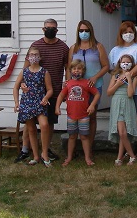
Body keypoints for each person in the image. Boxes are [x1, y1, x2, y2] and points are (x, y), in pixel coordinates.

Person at [15, 18, 70, 163]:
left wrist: (67, 85)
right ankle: (26, 149)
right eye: (47, 27)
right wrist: (22, 84)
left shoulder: (63, 47)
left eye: (53, 28)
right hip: (33, 92)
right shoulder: (36, 45)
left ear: (57, 30)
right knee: (30, 123)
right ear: (43, 29)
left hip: (53, 90)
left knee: (49, 122)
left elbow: (67, 67)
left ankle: (46, 149)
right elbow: (26, 67)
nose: (50, 30)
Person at [108, 21, 137, 159]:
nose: (128, 34)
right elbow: (113, 69)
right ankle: (127, 148)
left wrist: (127, 77)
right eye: (125, 32)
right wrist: (118, 81)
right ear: (121, 34)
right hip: (120, 93)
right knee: (123, 121)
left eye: (131, 32)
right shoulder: (115, 50)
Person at [67, 20, 110, 155]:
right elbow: (69, 67)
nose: (83, 33)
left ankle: (89, 147)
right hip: (76, 88)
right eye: (81, 31)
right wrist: (68, 83)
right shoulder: (74, 48)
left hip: (93, 86)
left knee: (91, 116)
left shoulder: (98, 47)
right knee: (76, 115)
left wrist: (96, 77)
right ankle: (74, 147)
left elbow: (106, 66)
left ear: (91, 31)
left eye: (86, 30)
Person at [13, 46, 53, 167]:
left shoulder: (44, 72)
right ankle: (35, 156)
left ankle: (44, 153)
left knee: (44, 125)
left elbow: (50, 89)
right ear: (27, 57)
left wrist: (46, 98)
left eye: (36, 55)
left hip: (40, 102)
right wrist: (16, 103)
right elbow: (15, 87)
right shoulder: (24, 71)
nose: (33, 57)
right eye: (31, 55)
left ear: (40, 57)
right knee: (31, 129)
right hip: (27, 102)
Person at [55, 59, 100, 166]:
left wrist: (92, 105)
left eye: (79, 69)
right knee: (72, 136)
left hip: (84, 115)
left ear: (83, 71)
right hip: (71, 115)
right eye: (74, 69)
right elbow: (61, 95)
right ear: (70, 71)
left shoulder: (86, 83)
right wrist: (57, 107)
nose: (76, 71)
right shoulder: (68, 83)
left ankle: (87, 158)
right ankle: (69, 157)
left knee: (84, 137)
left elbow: (97, 94)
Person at [107, 54, 137, 165]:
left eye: (128, 62)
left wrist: (129, 79)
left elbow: (130, 94)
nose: (125, 64)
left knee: (124, 132)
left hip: (128, 103)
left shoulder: (135, 77)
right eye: (123, 62)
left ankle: (120, 157)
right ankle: (132, 156)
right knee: (121, 132)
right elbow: (109, 92)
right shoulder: (115, 75)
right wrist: (117, 84)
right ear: (119, 63)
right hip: (117, 102)